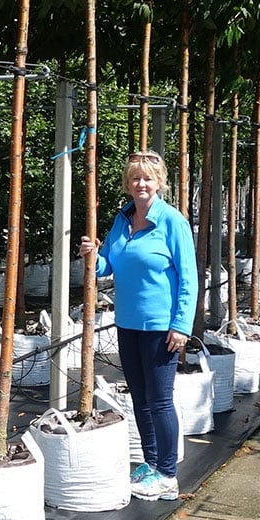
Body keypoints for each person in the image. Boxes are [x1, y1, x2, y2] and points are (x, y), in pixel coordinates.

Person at [79, 150, 197, 501]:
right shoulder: (123, 219)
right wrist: (92, 255)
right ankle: (151, 463)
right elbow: (108, 266)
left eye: (147, 178)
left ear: (159, 182)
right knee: (140, 399)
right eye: (135, 178)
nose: (141, 184)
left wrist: (181, 325)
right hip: (128, 323)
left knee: (160, 400)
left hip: (161, 327)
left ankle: (168, 475)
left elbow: (189, 278)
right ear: (127, 184)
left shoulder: (172, 222)